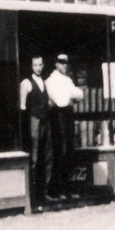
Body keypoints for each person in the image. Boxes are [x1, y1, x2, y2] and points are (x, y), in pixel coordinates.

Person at [17, 55, 52, 209]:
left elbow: (48, 103)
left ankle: (43, 193)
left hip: (45, 122)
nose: (38, 67)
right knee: (35, 159)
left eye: (40, 64)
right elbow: (23, 108)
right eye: (35, 65)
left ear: (43, 65)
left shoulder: (44, 83)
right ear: (31, 66)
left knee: (46, 157)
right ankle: (33, 198)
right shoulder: (26, 83)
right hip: (34, 121)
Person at [45, 53, 81, 198]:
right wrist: (69, 97)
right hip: (57, 117)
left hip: (67, 116)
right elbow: (59, 100)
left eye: (66, 63)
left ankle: (66, 188)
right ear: (56, 64)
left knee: (68, 151)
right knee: (60, 151)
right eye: (62, 63)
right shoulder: (50, 81)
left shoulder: (67, 80)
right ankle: (56, 189)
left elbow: (79, 94)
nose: (65, 66)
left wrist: (70, 97)